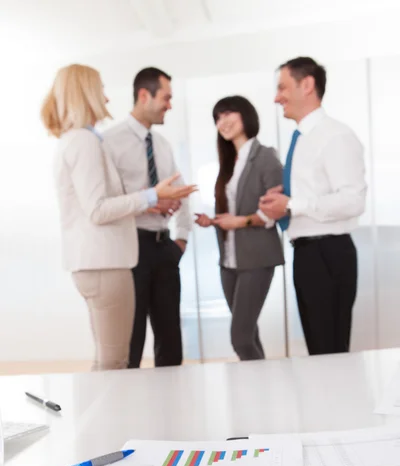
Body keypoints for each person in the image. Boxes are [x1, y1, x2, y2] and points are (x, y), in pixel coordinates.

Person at [41, 64, 195, 371]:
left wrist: (179, 237)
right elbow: (98, 208)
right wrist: (152, 196)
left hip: (135, 252)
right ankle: (114, 418)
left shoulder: (78, 140)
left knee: (119, 356)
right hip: (112, 257)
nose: (107, 99)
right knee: (120, 360)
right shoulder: (91, 141)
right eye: (100, 91)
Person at [259, 57, 366, 356]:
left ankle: (338, 403)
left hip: (329, 253)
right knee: (318, 352)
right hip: (307, 254)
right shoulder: (303, 138)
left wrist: (292, 203)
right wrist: (284, 199)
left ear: (307, 85)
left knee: (330, 351)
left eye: (282, 87)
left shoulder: (335, 136)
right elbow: (316, 192)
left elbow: (353, 199)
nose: (276, 97)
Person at [104, 67, 194, 369]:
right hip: (130, 248)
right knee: (131, 341)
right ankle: (129, 411)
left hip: (164, 249)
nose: (170, 104)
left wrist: (180, 241)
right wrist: (147, 201)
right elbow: (102, 204)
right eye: (166, 97)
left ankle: (172, 409)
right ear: (145, 95)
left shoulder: (164, 145)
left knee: (171, 341)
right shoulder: (108, 143)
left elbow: (180, 194)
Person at [195, 96, 284, 361]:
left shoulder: (265, 156)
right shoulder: (229, 162)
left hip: (257, 258)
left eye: (228, 113)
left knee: (240, 337)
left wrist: (241, 221)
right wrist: (213, 221)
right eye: (217, 118)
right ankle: (259, 389)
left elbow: (275, 211)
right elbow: (234, 210)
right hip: (229, 261)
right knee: (249, 333)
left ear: (245, 114)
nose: (222, 122)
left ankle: (259, 389)